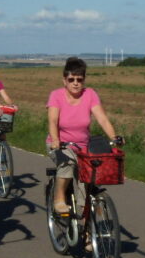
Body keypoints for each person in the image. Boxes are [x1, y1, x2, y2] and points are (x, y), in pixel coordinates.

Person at [46, 56, 121, 218]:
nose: (75, 83)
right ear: (64, 80)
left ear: (84, 80)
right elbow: (52, 121)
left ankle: (86, 224)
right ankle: (59, 198)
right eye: (71, 79)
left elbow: (102, 119)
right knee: (67, 163)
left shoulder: (90, 95)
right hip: (61, 144)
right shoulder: (56, 95)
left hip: (83, 146)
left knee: (88, 178)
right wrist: (56, 141)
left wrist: (114, 137)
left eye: (79, 79)